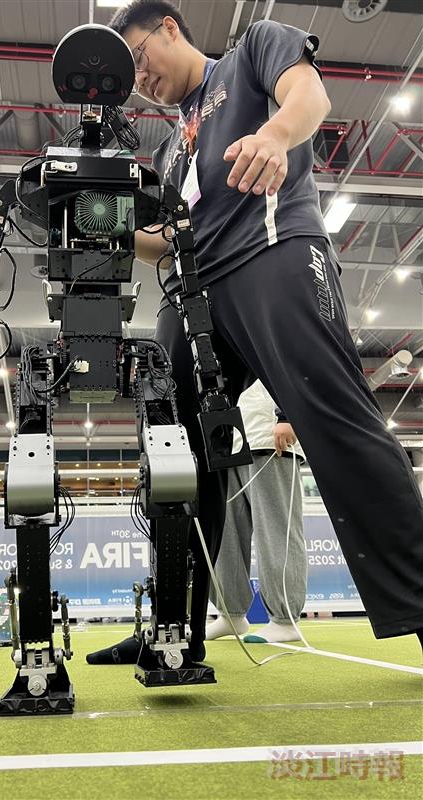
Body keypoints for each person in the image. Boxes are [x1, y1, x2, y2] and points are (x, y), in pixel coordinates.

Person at [87, 1, 423, 666]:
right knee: (173, 454)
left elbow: (310, 95)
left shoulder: (253, 53)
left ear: (169, 28)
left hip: (272, 253)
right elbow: (167, 240)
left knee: (336, 420)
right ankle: (172, 627)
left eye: (139, 60)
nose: (139, 80)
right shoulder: (169, 149)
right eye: (131, 78)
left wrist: (274, 135)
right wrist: (106, 229)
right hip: (192, 294)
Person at [206, 380, 306, 644]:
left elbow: (294, 369)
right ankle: (230, 614)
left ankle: (285, 619)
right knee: (225, 534)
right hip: (231, 441)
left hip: (269, 437)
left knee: (275, 531)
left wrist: (287, 415)